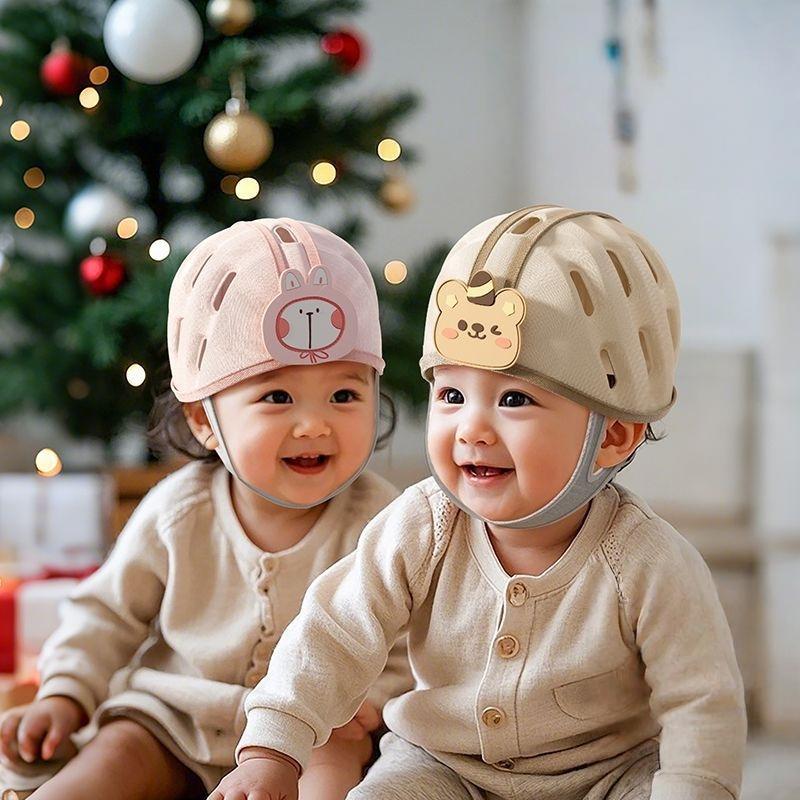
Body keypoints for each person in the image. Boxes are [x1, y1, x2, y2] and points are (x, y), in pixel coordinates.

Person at [209, 206, 747, 800]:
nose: (471, 428)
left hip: (606, 776)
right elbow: (333, 635)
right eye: (451, 395)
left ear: (613, 436)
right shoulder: (423, 526)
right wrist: (272, 750)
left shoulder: (648, 561)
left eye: (514, 400)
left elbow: (701, 703)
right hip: (442, 766)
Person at [0, 218, 411, 800]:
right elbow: (106, 614)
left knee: (337, 763)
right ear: (203, 419)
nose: (314, 424)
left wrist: (375, 699)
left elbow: (413, 641)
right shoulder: (180, 509)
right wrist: (64, 694)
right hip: (174, 717)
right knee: (114, 752)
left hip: (315, 727)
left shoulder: (384, 522)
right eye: (276, 396)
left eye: (344, 394)